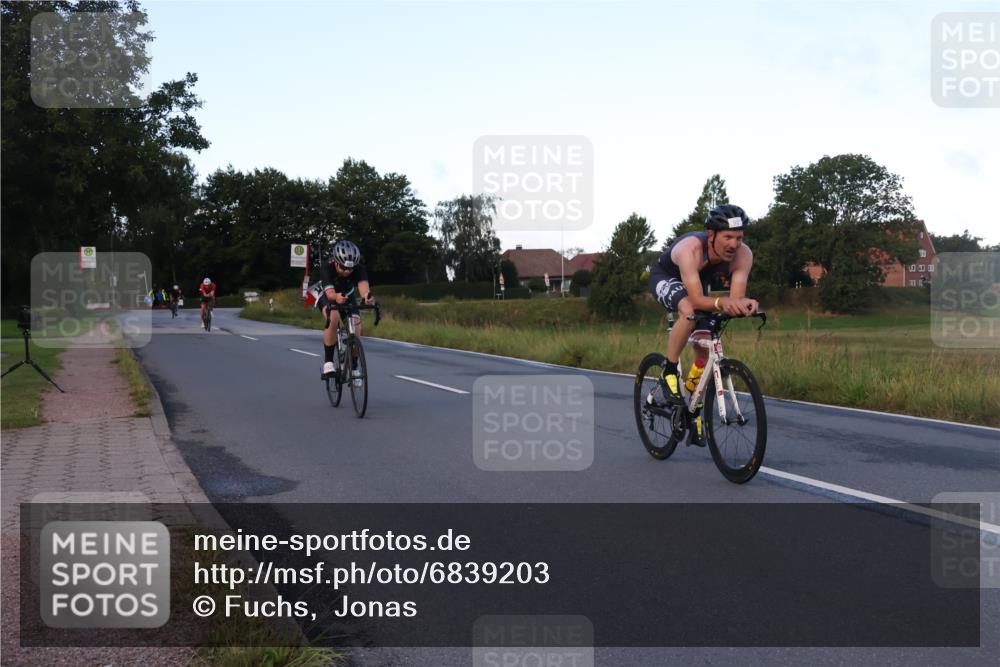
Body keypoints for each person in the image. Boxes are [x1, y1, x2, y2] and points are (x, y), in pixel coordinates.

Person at [647, 205, 759, 441]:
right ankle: (669, 371)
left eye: (738, 238)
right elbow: (697, 299)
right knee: (688, 309)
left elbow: (735, 298)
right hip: (667, 278)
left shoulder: (744, 254)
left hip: (696, 284)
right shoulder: (692, 249)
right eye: (727, 237)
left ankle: (694, 404)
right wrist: (723, 302)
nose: (733, 244)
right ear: (711, 235)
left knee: (705, 344)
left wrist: (744, 304)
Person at [308, 240, 375, 381]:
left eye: (350, 269)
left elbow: (364, 287)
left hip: (347, 293)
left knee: (356, 325)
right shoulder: (327, 266)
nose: (347, 272)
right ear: (336, 262)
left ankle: (354, 367)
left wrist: (367, 297)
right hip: (327, 293)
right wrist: (335, 297)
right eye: (343, 268)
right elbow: (331, 294)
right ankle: (328, 362)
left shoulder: (359, 267)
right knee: (333, 316)